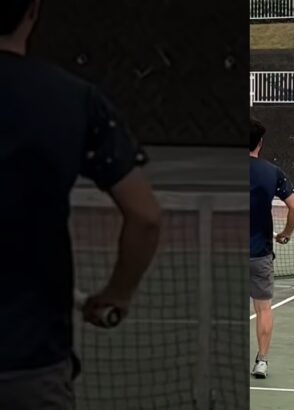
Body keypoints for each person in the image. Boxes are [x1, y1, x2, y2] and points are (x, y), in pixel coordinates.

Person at [0, 1, 161, 408]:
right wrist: (118, 294)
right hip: (32, 362)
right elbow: (145, 217)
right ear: (32, 11)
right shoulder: (73, 98)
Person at [249, 117, 294, 379]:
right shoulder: (273, 172)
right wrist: (286, 234)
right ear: (260, 142)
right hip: (259, 253)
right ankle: (262, 361)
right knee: (263, 308)